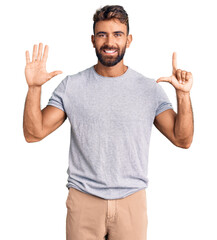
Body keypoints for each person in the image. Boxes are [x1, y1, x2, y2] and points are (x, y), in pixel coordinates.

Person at [23, 5, 194, 240]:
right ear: (93, 40)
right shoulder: (72, 86)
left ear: (129, 40)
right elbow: (34, 133)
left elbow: (182, 139)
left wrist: (183, 95)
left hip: (131, 201)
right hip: (84, 200)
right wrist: (34, 88)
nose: (109, 42)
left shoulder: (149, 89)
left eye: (117, 34)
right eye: (102, 34)